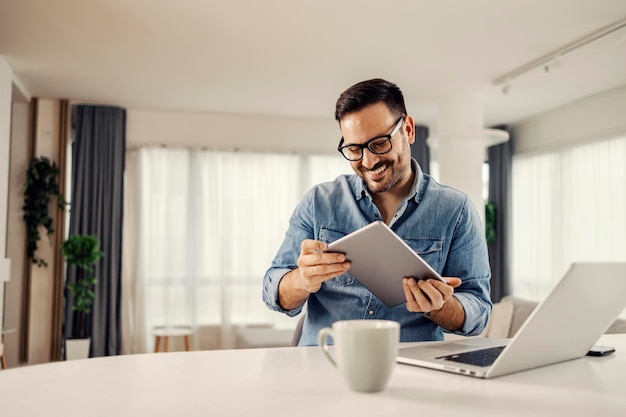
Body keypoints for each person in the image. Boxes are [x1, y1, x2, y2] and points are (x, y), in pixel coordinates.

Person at [263, 78, 492, 346]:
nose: (369, 161)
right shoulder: (319, 202)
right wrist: (301, 280)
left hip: (411, 369)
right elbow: (272, 290)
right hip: (322, 365)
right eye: (354, 149)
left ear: (408, 129)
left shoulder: (457, 211)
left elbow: (479, 311)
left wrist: (440, 306)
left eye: (380, 143)